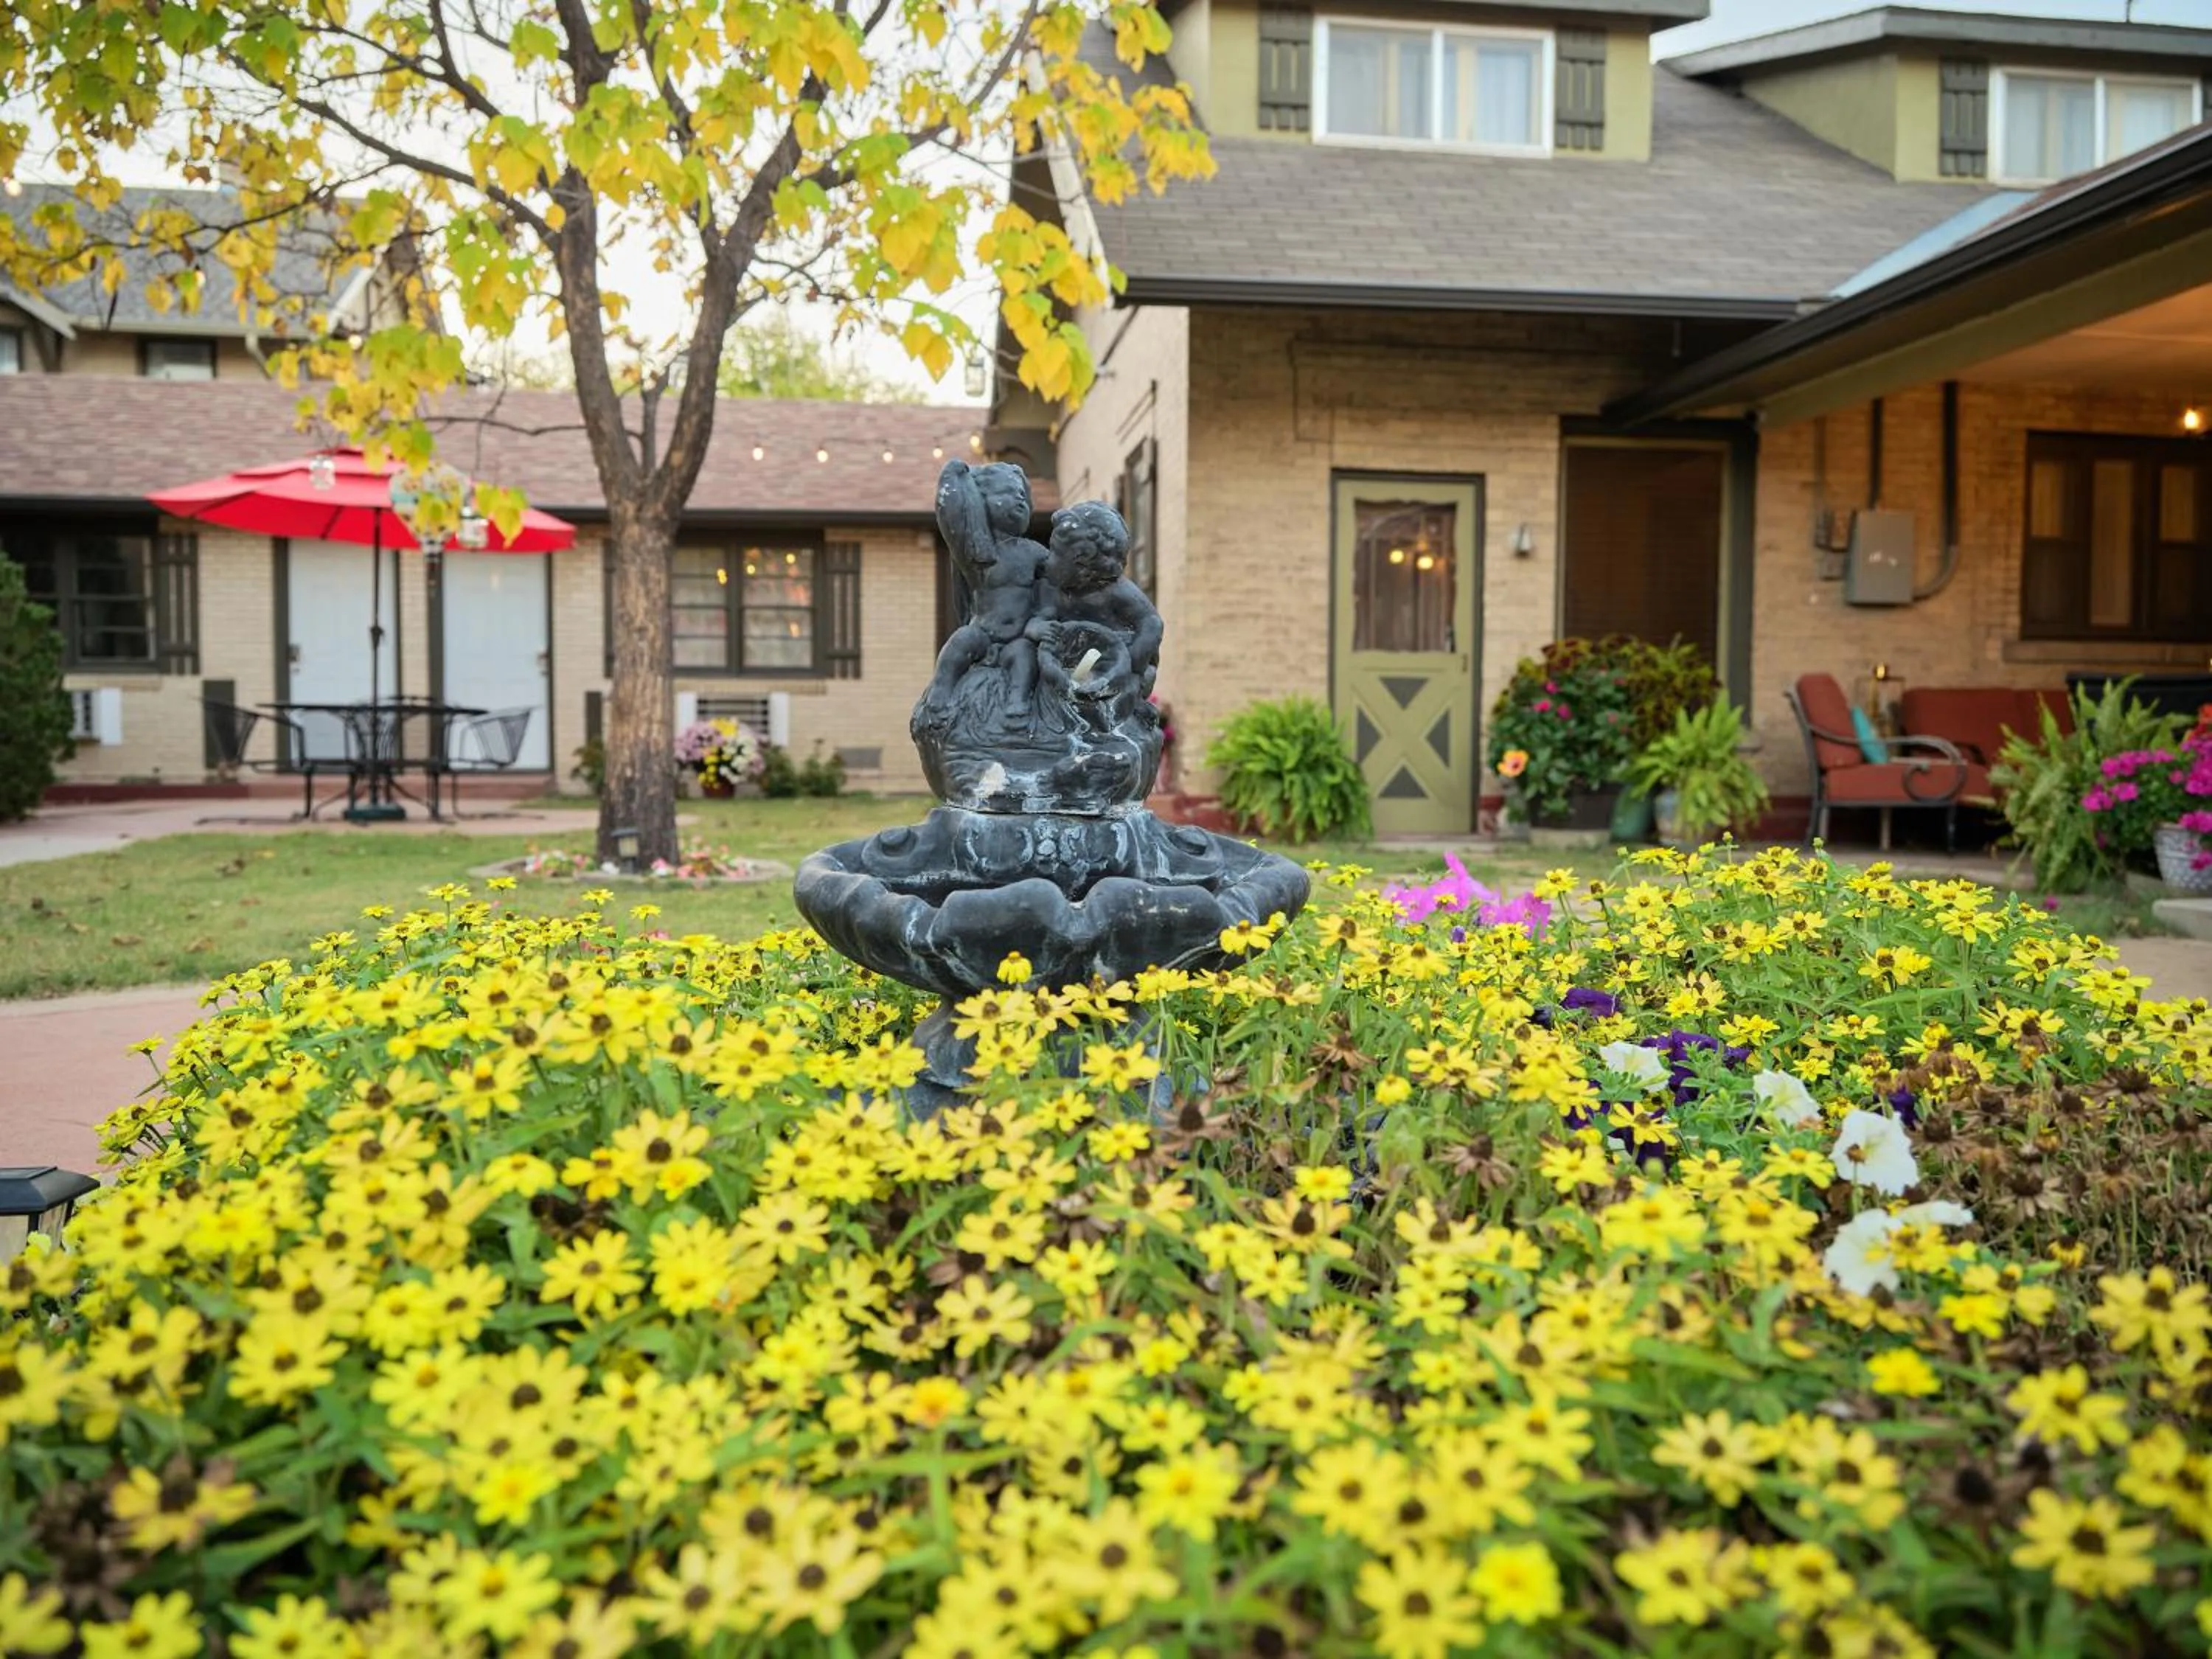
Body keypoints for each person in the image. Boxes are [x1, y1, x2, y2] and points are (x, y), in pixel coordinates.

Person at [924, 459, 1051, 725]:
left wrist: (1042, 620)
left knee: (1024, 660)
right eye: (1007, 492)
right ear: (981, 502)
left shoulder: (1033, 552)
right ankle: (940, 692)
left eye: (1022, 496)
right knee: (959, 643)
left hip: (1020, 636)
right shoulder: (980, 554)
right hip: (983, 631)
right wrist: (956, 474)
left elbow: (1055, 587)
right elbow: (953, 517)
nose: (1019, 500)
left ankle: (1018, 704)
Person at [1034, 498, 1162, 702]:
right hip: (1073, 665)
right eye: (1052, 549)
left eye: (1058, 555)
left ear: (1086, 569)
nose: (1048, 561)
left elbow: (1151, 623)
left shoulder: (1116, 591)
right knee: (1065, 690)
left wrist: (1133, 664)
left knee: (1127, 687)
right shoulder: (1052, 589)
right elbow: (1040, 618)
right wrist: (1039, 629)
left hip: (1113, 661)